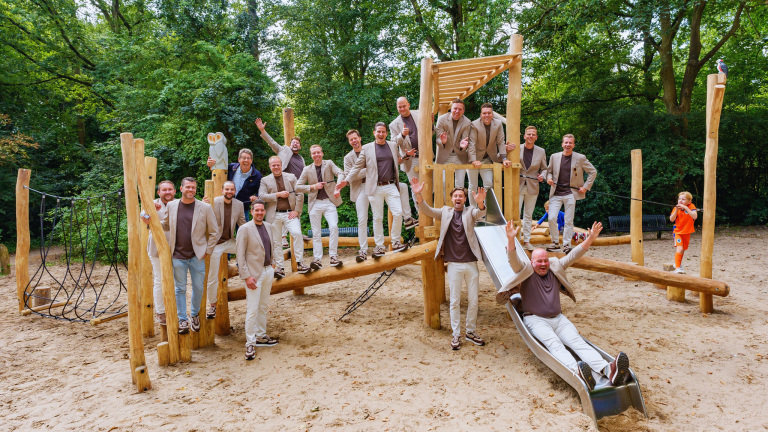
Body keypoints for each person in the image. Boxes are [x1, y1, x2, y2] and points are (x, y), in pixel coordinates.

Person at [496, 220, 630, 391]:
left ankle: (607, 369)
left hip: (558, 319)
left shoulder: (555, 266)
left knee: (578, 342)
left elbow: (574, 255)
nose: (543, 264)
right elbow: (513, 259)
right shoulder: (524, 270)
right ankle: (578, 372)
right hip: (536, 320)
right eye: (539, 261)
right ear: (532, 262)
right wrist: (510, 240)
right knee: (555, 344)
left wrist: (590, 239)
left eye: (545, 260)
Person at [411, 178, 487, 350]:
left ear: (465, 199)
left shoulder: (470, 212)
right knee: (454, 301)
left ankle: (470, 331)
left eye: (461, 196)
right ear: (452, 199)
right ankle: (456, 334)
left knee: (474, 300)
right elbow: (426, 210)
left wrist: (481, 204)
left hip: (471, 263)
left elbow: (480, 213)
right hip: (453, 264)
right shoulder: (445, 212)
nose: (458, 198)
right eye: (455, 196)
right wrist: (418, 194)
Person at [336, 123, 410, 259]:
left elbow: (397, 158)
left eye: (383, 132)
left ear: (386, 133)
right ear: (374, 133)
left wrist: (406, 155)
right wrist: (346, 181)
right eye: (378, 132)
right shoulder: (367, 148)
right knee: (377, 218)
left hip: (390, 185)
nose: (381, 134)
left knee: (398, 213)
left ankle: (395, 241)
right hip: (373, 187)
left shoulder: (392, 145)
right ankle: (379, 246)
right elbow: (357, 166)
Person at [159, 177, 219, 334]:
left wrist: (208, 250)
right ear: (181, 189)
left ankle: (194, 315)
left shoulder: (204, 208)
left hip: (197, 255)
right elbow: (165, 224)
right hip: (177, 255)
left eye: (193, 187)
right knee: (180, 289)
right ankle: (182, 319)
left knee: (198, 287)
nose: (191, 190)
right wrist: (151, 220)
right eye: (188, 187)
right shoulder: (171, 206)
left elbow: (214, 232)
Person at [236, 199, 278, 360]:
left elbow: (271, 246)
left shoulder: (268, 226)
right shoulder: (245, 229)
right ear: (252, 211)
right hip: (253, 274)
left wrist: (273, 264)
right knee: (252, 309)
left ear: (265, 211)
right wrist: (246, 276)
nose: (259, 213)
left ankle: (261, 335)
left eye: (262, 210)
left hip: (268, 271)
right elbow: (240, 255)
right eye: (256, 210)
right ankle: (250, 343)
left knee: (263, 305)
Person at [255, 117, 306, 247]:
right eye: (293, 142)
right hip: (281, 183)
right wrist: (263, 131)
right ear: (290, 144)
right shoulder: (283, 151)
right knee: (282, 208)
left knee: (295, 210)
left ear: (300, 146)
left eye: (297, 143)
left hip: (296, 186)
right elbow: (272, 142)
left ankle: (295, 232)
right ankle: (283, 237)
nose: (295, 144)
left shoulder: (301, 159)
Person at [296, 145, 346, 269]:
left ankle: (333, 256)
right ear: (311, 155)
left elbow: (340, 172)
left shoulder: (328, 163)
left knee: (334, 226)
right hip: (315, 203)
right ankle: (317, 259)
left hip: (329, 202)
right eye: (314, 153)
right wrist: (313, 186)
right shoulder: (307, 169)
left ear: (322, 153)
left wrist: (338, 186)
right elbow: (297, 186)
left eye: (318, 152)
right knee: (316, 233)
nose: (316, 155)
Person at [546, 134, 597, 254]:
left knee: (569, 220)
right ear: (562, 144)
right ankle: (555, 243)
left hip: (571, 193)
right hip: (556, 192)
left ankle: (567, 245)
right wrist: (548, 179)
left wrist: (585, 187)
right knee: (552, 218)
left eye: (570, 143)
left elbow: (593, 171)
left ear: (573, 145)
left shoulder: (580, 157)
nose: (568, 144)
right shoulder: (554, 157)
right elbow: (549, 172)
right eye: (566, 142)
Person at [258, 156, 308, 276]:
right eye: (273, 165)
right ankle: (280, 267)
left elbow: (300, 193)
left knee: (297, 233)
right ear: (270, 166)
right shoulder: (265, 180)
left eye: (278, 165)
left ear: (281, 165)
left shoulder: (291, 177)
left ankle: (300, 262)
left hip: (290, 213)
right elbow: (262, 196)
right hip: (273, 215)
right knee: (276, 242)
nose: (276, 167)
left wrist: (297, 210)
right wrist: (277, 194)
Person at [204, 181, 246, 319]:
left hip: (229, 241)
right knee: (212, 277)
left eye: (232, 189)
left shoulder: (239, 204)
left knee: (250, 248)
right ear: (222, 190)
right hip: (215, 245)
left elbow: (242, 224)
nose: (229, 191)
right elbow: (200, 214)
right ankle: (212, 305)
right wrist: (202, 203)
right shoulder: (213, 202)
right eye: (227, 189)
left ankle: (245, 271)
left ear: (234, 191)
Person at [142, 180, 176, 326]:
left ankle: (173, 309)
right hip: (157, 248)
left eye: (170, 189)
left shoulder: (178, 203)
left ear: (175, 191)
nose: (167, 192)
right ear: (159, 192)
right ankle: (161, 312)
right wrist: (150, 211)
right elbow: (144, 217)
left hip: (176, 248)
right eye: (164, 190)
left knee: (175, 280)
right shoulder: (153, 204)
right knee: (160, 279)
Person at [467, 103, 512, 206]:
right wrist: (473, 160)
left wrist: (504, 158)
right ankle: (473, 211)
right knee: (473, 186)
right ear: (480, 114)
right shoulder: (474, 124)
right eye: (484, 113)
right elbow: (472, 143)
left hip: (488, 159)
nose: (486, 115)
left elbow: (501, 142)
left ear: (492, 114)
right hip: (473, 159)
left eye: (489, 113)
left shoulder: (498, 124)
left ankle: (487, 211)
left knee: (489, 184)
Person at [389, 97, 422, 228]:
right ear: (397, 108)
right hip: (410, 160)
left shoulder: (419, 113)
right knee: (415, 188)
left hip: (426, 157)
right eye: (399, 107)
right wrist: (402, 135)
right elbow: (393, 144)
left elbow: (431, 132)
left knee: (430, 187)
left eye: (404, 106)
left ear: (408, 104)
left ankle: (431, 212)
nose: (402, 109)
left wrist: (431, 123)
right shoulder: (394, 124)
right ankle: (421, 215)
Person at [207, 148, 263, 219]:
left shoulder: (257, 175)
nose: (246, 160)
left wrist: (256, 197)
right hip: (226, 204)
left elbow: (260, 190)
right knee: (225, 228)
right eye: (243, 158)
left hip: (243, 208)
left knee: (243, 229)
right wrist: (210, 165)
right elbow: (219, 169)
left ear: (251, 161)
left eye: (248, 158)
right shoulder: (231, 167)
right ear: (239, 159)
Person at [516, 126, 548, 250]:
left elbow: (545, 168)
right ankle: (516, 240)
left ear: (536, 137)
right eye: (528, 134)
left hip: (533, 186)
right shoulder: (516, 148)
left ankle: (527, 241)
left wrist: (543, 176)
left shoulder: (541, 151)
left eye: (533, 134)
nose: (530, 136)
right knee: (516, 215)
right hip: (517, 185)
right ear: (524, 136)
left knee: (528, 215)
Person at [435, 99, 472, 199]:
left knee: (459, 184)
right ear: (451, 109)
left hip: (460, 155)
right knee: (444, 183)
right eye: (455, 108)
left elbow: (465, 139)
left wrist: (462, 146)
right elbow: (437, 138)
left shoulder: (467, 122)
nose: (457, 111)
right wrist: (442, 141)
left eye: (460, 109)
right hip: (445, 155)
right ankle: (448, 207)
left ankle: (459, 210)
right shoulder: (442, 119)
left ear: (463, 111)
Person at [669, 191, 697, 274]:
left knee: (683, 250)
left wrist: (686, 208)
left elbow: (694, 216)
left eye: (683, 199)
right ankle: (677, 268)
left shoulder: (691, 206)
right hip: (678, 231)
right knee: (680, 249)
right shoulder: (676, 208)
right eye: (679, 199)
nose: (680, 201)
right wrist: (676, 210)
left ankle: (678, 264)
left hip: (687, 232)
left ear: (689, 201)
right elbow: (671, 219)